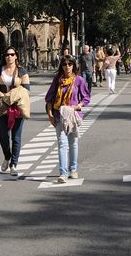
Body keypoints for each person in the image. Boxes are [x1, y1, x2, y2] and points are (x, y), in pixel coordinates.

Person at [44, 55, 90, 184]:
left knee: (73, 143)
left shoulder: (79, 80)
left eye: (70, 64)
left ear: (74, 66)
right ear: (61, 66)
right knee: (62, 144)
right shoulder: (57, 80)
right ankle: (63, 173)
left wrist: (78, 106)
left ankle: (73, 169)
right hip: (59, 115)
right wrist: (50, 115)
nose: (67, 67)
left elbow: (86, 98)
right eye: (65, 64)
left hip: (73, 116)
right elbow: (49, 98)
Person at [0, 46, 30, 176]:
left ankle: (14, 165)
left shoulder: (22, 71)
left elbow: (26, 88)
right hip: (2, 104)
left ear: (16, 56)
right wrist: (2, 96)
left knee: (16, 137)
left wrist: (12, 96)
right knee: (3, 136)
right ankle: (7, 156)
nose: (9, 57)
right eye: (7, 54)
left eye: (12, 54)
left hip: (17, 104)